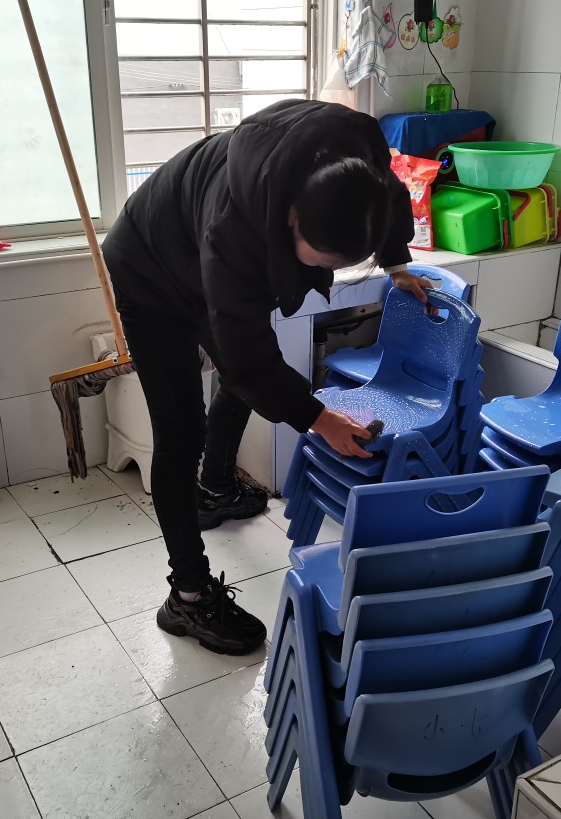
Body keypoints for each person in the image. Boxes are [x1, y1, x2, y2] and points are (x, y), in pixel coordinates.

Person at [102, 99, 430, 655]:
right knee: (181, 432)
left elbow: (391, 200)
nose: (322, 273)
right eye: (318, 260)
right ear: (290, 216)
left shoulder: (358, 155)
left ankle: (216, 488)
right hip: (150, 268)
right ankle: (187, 597)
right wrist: (319, 418)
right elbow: (247, 357)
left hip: (196, 242)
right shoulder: (234, 228)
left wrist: (396, 266)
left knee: (245, 380)